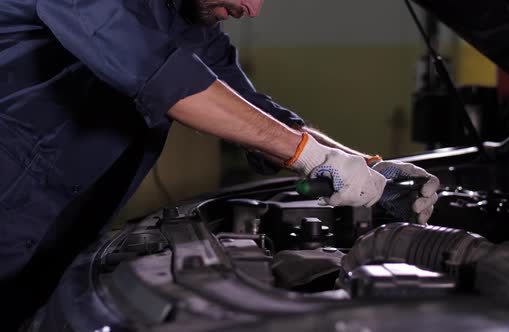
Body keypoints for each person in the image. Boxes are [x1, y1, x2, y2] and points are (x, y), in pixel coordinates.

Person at [0, 0, 439, 327]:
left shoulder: (196, 25)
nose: (252, 9)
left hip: (61, 235)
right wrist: (312, 158)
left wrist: (368, 167)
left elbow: (262, 117)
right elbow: (159, 77)